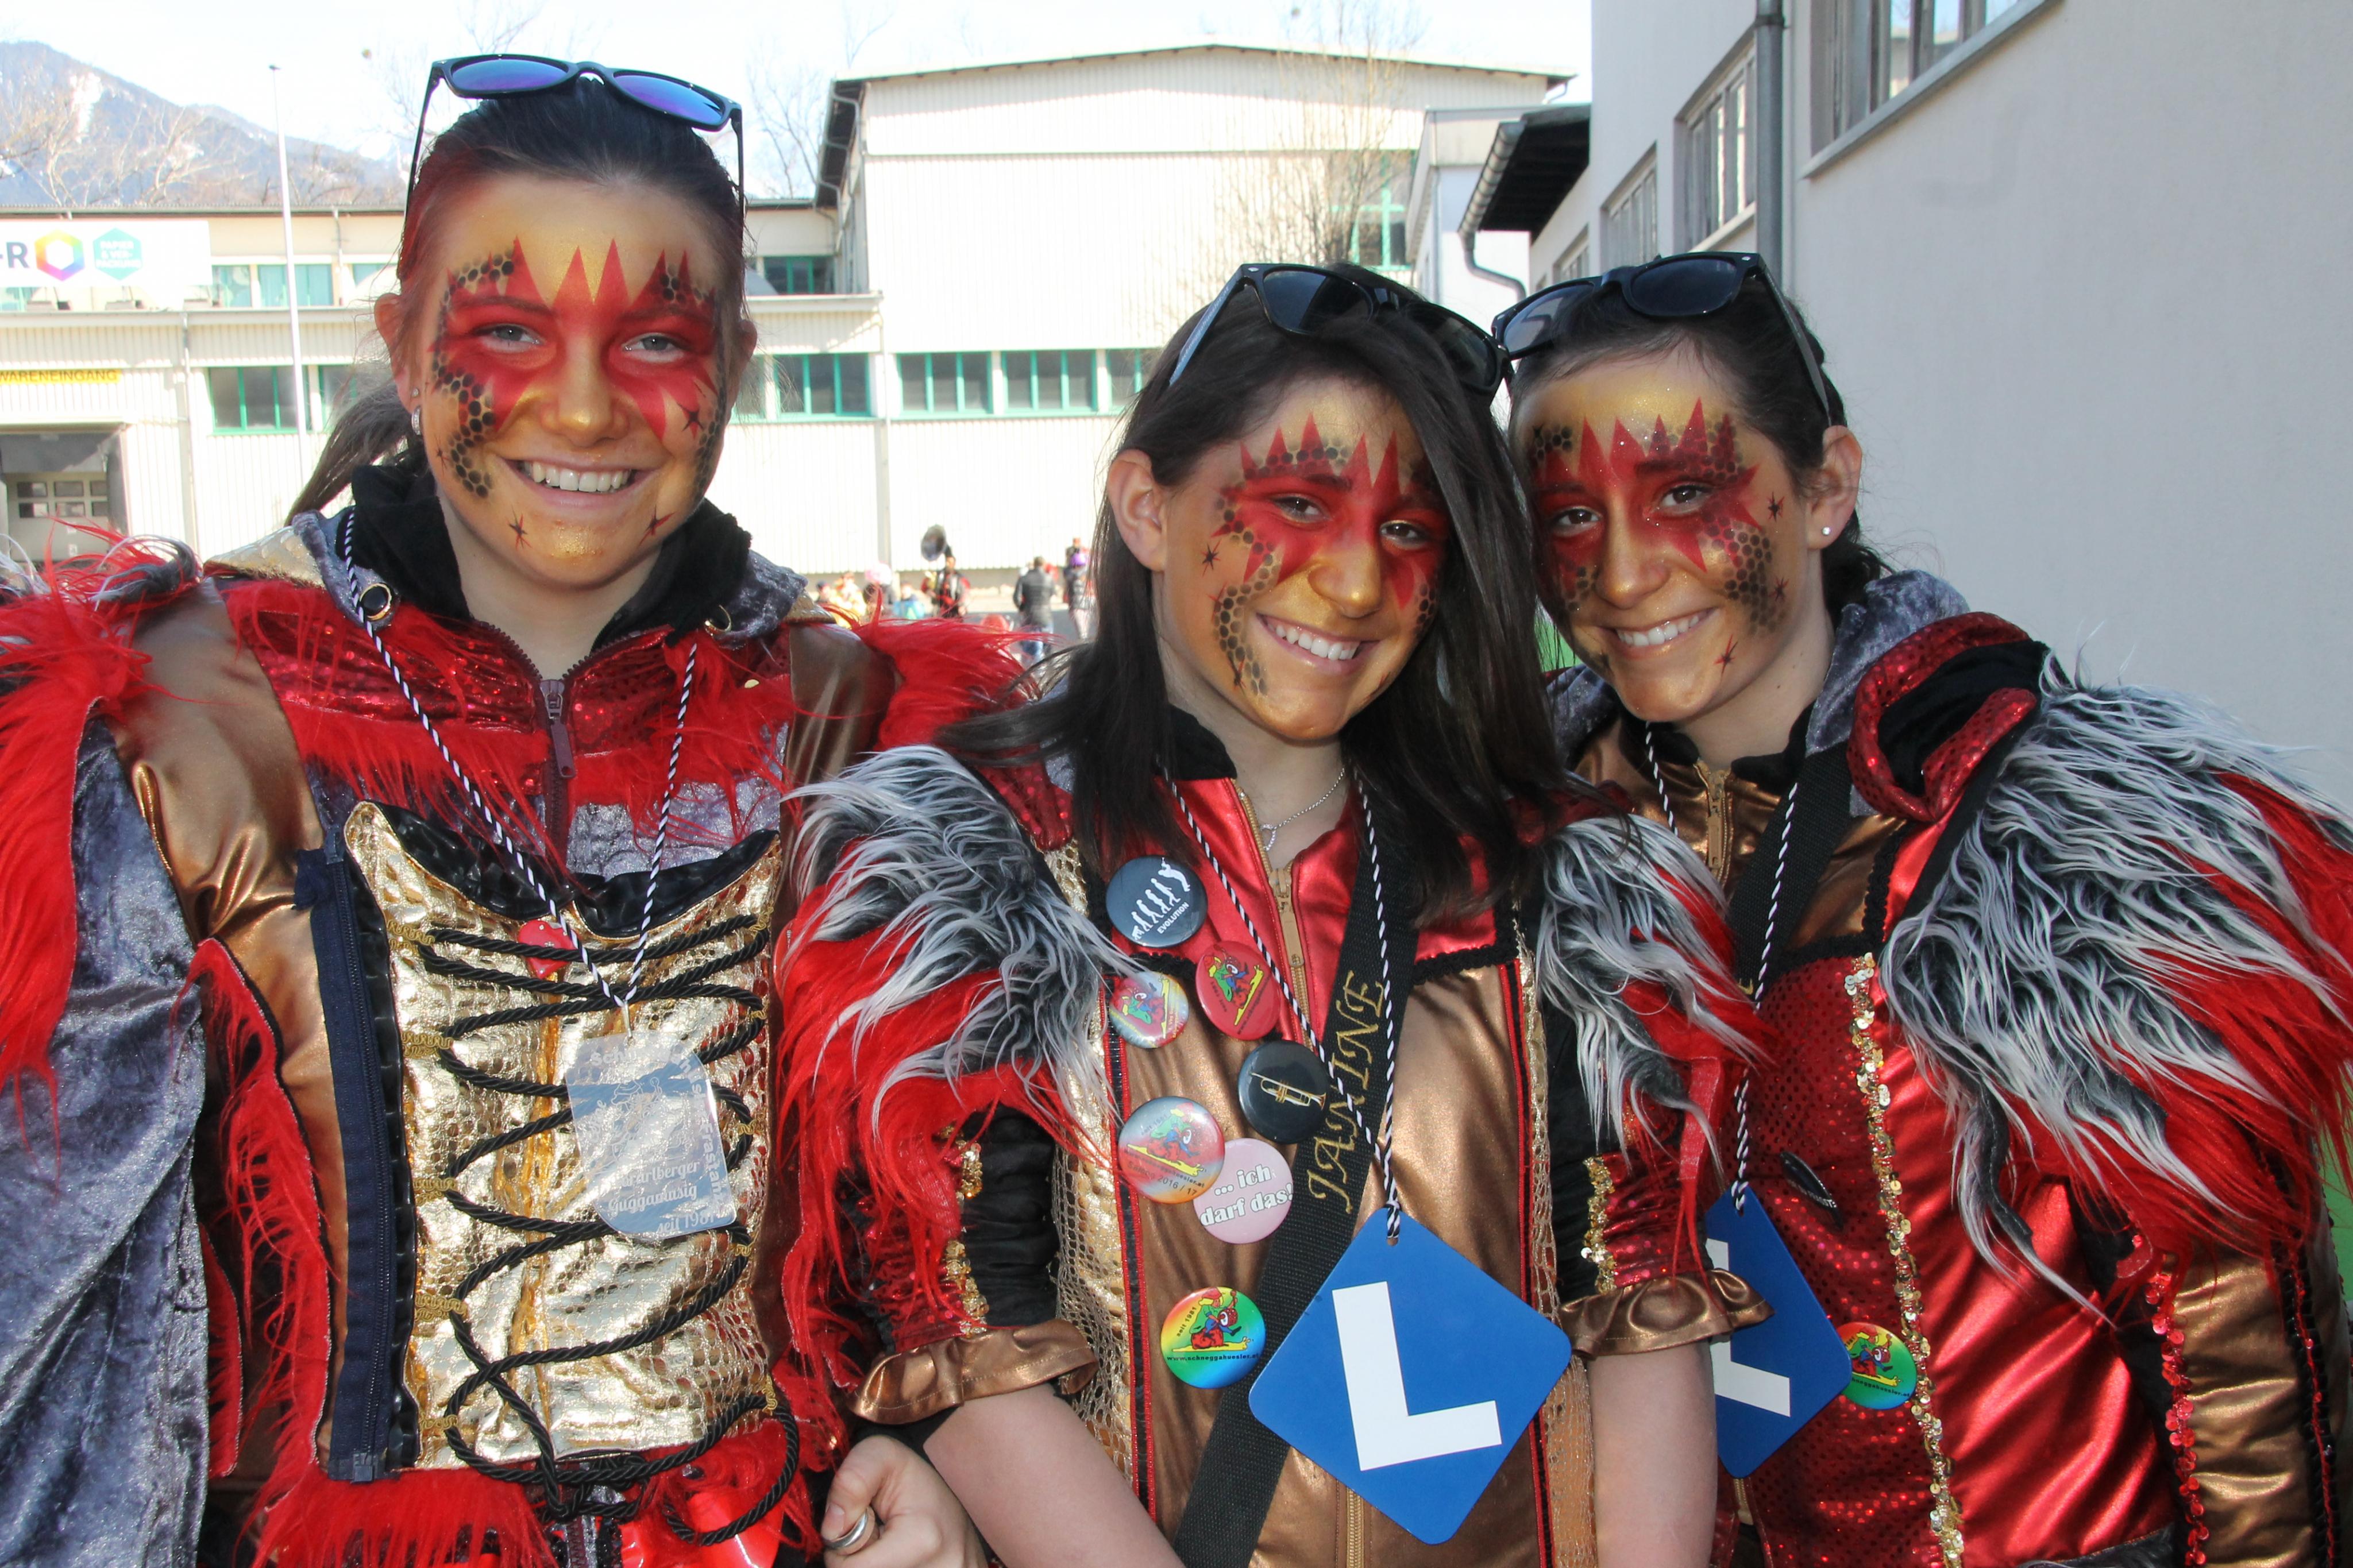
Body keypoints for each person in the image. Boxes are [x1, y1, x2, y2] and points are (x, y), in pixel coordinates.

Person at [0, 63, 986, 1568]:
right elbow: (59, 1310)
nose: (582, 407)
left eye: (656, 340)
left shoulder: (852, 720)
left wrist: (914, 1448)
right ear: (400, 341)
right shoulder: (171, 727)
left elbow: (928, 1224)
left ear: (738, 358)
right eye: (507, 331)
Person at [776, 262, 1767, 1566]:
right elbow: (959, 1323)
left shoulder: (1561, 883)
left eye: (1408, 531)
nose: (1355, 584)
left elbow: (1639, 1300)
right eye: (1298, 505)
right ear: (1146, 507)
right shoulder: (977, 866)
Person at [1498, 250, 2353, 1566]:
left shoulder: (2046, 836)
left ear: (1824, 489)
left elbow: (2236, 1357)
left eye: (1682, 493)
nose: (1620, 575)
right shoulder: (1520, 858)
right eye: (1567, 517)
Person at [1012, 553, 1055, 663]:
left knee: (1032, 646)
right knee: (1047, 645)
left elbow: (1016, 598)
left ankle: (1033, 668)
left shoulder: (1024, 579)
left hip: (1030, 615)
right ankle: (1049, 667)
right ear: (1044, 565)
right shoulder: (1049, 578)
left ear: (1034, 565)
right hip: (1046, 616)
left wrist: (1022, 608)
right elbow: (1052, 593)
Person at [1063, 534, 1091, 636]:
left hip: (1082, 604)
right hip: (1080, 604)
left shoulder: (1077, 573)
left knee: (1083, 632)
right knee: (1083, 633)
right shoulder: (1074, 572)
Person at [930, 553, 969, 620]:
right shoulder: (938, 575)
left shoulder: (959, 578)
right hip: (940, 609)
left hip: (954, 610)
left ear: (954, 564)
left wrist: (962, 606)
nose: (948, 564)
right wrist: (930, 592)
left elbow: (965, 592)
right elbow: (926, 587)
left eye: (950, 562)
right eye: (947, 562)